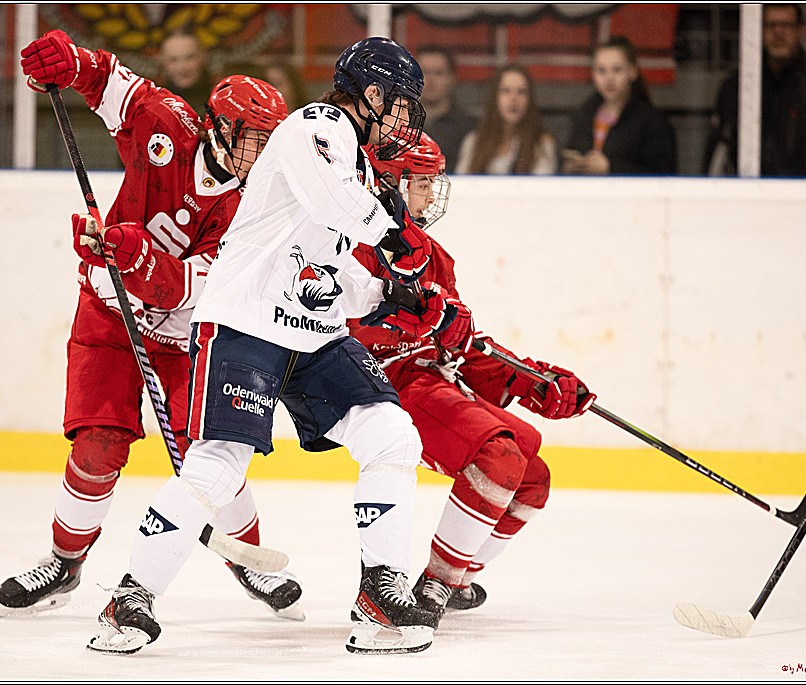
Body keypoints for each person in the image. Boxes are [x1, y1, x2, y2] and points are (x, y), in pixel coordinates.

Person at [86, 36, 452, 657]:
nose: (404, 119)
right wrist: (392, 237)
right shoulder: (317, 126)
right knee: (216, 466)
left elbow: (323, 274)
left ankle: (378, 594)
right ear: (369, 95)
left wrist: (388, 293)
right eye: (399, 104)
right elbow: (331, 200)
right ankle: (131, 599)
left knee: (392, 433)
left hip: (311, 336)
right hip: (246, 325)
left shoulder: (357, 166)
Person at [0, 30, 303, 622]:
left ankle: (249, 560)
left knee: (208, 454)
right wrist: (71, 62)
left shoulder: (255, 209)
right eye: (255, 140)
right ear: (221, 127)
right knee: (99, 440)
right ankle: (64, 562)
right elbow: (107, 79)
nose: (262, 155)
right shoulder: (165, 122)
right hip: (109, 314)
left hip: (187, 338)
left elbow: (194, 286)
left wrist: (136, 256)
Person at [354, 133, 596, 628]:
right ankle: (437, 585)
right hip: (381, 386)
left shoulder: (433, 256)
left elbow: (462, 343)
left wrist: (536, 381)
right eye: (420, 182)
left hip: (430, 381)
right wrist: (421, 322)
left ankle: (452, 575)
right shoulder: (352, 247)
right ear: (388, 183)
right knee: (499, 454)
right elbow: (343, 327)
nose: (430, 192)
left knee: (532, 472)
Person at [705, 4, 806, 176]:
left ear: (800, 31)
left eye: (787, 25)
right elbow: (719, 154)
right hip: (748, 192)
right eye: (770, 25)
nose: (778, 32)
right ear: (758, 30)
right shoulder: (737, 86)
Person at [562, 36, 676, 175]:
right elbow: (569, 154)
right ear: (592, 74)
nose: (609, 78)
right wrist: (569, 166)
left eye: (616, 70)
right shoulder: (583, 115)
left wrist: (612, 167)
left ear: (632, 72)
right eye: (601, 70)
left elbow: (663, 175)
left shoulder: (653, 122)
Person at [456, 64, 557, 175]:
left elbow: (542, 188)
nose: (513, 98)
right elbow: (462, 183)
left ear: (530, 100)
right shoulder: (474, 141)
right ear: (494, 98)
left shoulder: (542, 145)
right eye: (506, 91)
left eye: (521, 92)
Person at [417, 46, 477, 174]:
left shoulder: (470, 126)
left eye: (438, 73)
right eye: (424, 72)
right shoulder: (399, 123)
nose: (430, 80)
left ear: (452, 78)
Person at [158, 29, 216, 111]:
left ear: (203, 56)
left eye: (190, 57)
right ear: (162, 61)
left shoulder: (222, 100)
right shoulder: (155, 107)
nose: (182, 67)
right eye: (173, 59)